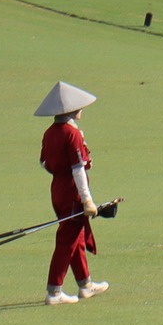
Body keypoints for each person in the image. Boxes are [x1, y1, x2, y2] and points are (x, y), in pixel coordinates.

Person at [35, 81, 109, 304]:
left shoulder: (50, 132)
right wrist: (87, 200)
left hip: (57, 189)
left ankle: (85, 285)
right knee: (67, 240)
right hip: (71, 192)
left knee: (74, 237)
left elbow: (45, 163)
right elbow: (78, 170)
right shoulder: (71, 133)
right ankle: (54, 292)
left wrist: (61, 170)